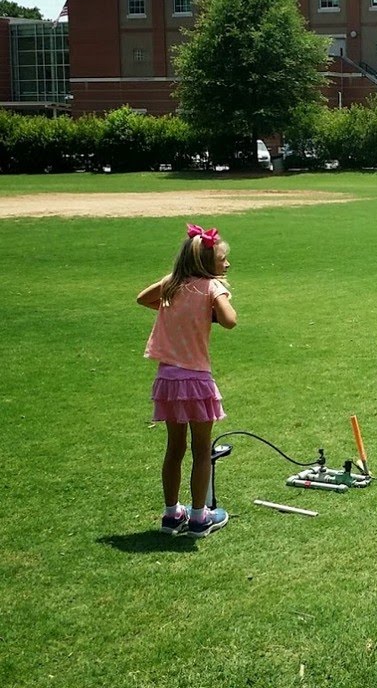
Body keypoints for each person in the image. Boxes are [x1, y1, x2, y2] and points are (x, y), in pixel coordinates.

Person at [137, 224, 238, 538]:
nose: (227, 264)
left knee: (174, 449)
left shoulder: (173, 283)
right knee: (202, 450)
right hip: (196, 381)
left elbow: (143, 299)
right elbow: (230, 321)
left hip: (167, 379)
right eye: (223, 259)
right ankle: (198, 518)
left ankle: (171, 515)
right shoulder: (212, 288)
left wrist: (176, 308)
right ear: (207, 264)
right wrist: (212, 304)